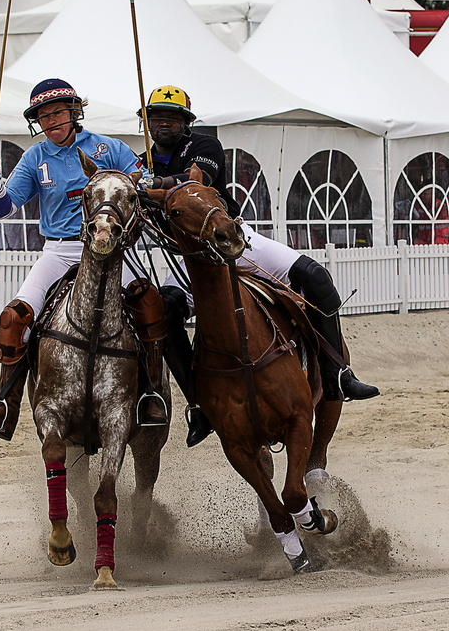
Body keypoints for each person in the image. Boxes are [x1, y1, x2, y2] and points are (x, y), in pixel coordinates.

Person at [136, 85, 379, 448]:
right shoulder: (142, 163)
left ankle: (337, 375)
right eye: (156, 117)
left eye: (172, 117)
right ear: (148, 123)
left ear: (186, 122)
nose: (163, 123)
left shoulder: (204, 146)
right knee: (164, 309)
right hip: (191, 260)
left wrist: (154, 185)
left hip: (233, 239)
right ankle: (199, 404)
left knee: (315, 277)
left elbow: (192, 180)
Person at [0, 78, 169, 441]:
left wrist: (147, 178)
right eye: (43, 117)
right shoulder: (35, 157)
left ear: (75, 112)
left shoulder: (108, 147)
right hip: (59, 250)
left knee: (149, 303)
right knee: (14, 318)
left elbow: (142, 180)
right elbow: (3, 208)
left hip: (110, 248)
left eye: (57, 112)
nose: (51, 122)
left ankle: (151, 393)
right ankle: (5, 406)